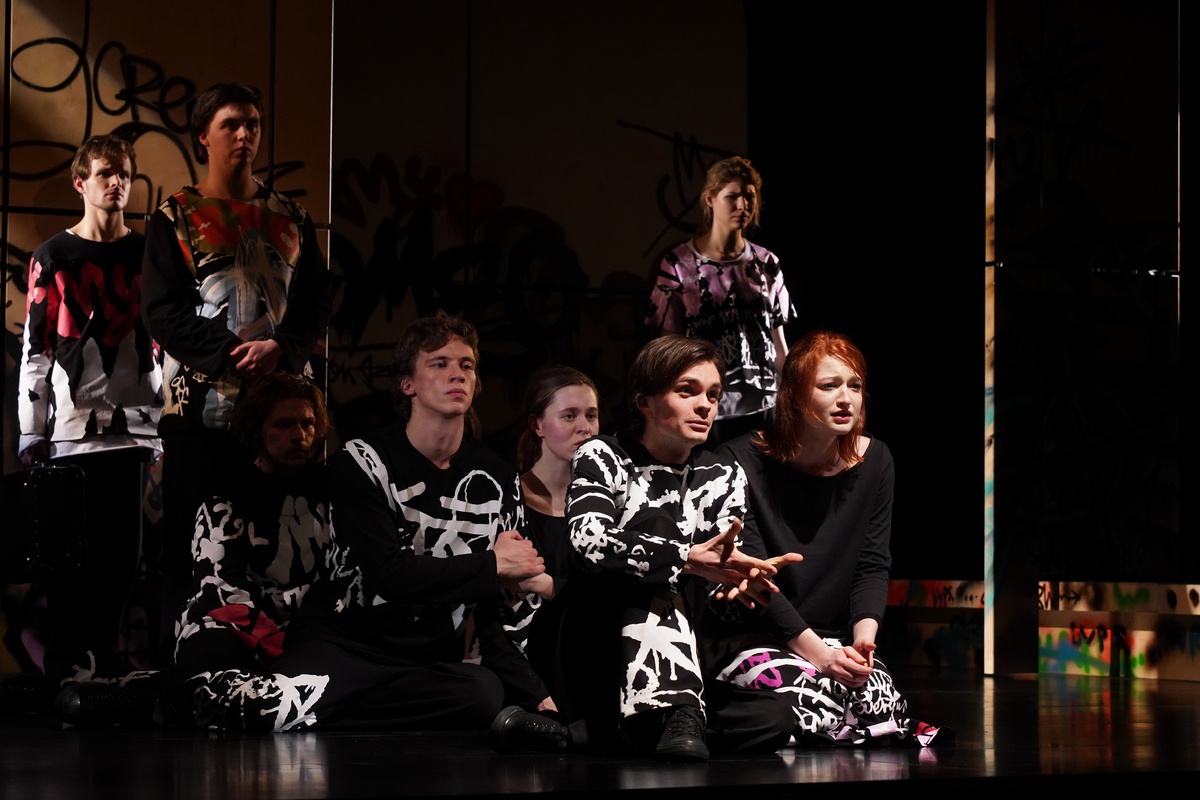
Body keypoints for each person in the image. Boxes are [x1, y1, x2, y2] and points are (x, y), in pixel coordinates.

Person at [189, 311, 550, 732]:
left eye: (467, 365)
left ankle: (328, 712)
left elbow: (497, 608)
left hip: (422, 659)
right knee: (272, 709)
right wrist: (491, 564)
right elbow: (389, 572)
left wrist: (537, 696)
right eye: (440, 363)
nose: (458, 374)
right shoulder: (363, 460)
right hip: (345, 643)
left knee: (484, 694)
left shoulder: (498, 478)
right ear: (408, 384)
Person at [491, 334, 801, 762]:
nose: (705, 406)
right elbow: (588, 543)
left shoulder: (723, 474)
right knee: (654, 524)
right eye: (687, 391)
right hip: (595, 646)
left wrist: (738, 589)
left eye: (713, 395)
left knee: (775, 718)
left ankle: (589, 734)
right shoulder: (603, 455)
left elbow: (714, 585)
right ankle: (679, 715)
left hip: (679, 660)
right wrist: (686, 558)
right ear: (645, 402)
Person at [141, 82, 332, 667]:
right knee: (189, 549)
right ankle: (184, 667)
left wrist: (282, 348)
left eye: (252, 123)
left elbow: (316, 302)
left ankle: (279, 661)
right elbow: (161, 310)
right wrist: (230, 352)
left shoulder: (291, 216)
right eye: (231, 123)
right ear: (203, 135)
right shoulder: (175, 216)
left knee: (278, 542)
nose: (245, 134)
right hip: (199, 414)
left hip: (279, 413)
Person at [707, 330, 950, 747]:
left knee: (880, 703)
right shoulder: (737, 461)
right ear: (795, 396)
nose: (846, 399)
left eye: (855, 386)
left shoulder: (876, 460)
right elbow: (755, 580)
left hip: (833, 638)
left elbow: (872, 562)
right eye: (829, 386)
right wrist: (821, 657)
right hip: (756, 635)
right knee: (810, 704)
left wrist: (863, 643)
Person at [54, 372, 332, 727]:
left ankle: (147, 700)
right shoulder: (226, 493)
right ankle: (116, 697)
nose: (299, 435)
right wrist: (276, 646)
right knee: (214, 664)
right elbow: (220, 589)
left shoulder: (331, 489)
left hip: (305, 630)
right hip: (231, 628)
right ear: (258, 429)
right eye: (284, 424)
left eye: (308, 424)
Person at [2, 134, 163, 710]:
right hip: (72, 431)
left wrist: (162, 421)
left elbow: (167, 339)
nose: (116, 183)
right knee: (69, 557)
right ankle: (67, 670)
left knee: (122, 555)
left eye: (124, 174)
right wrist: (32, 429)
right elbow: (36, 349)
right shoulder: (54, 256)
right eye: (104, 173)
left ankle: (104, 668)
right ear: (81, 182)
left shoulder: (149, 255)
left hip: (135, 428)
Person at [643, 156, 795, 448]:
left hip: (764, 402)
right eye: (732, 196)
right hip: (707, 405)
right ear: (710, 199)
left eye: (749, 196)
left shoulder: (766, 262)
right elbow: (667, 346)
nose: (742, 205)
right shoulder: (678, 264)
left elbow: (779, 344)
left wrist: (793, 398)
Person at [508, 365, 600, 686]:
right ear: (538, 425)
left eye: (591, 415)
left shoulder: (605, 502)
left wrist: (548, 585)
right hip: (526, 655)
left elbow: (605, 596)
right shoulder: (509, 498)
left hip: (590, 648)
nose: (584, 428)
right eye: (569, 416)